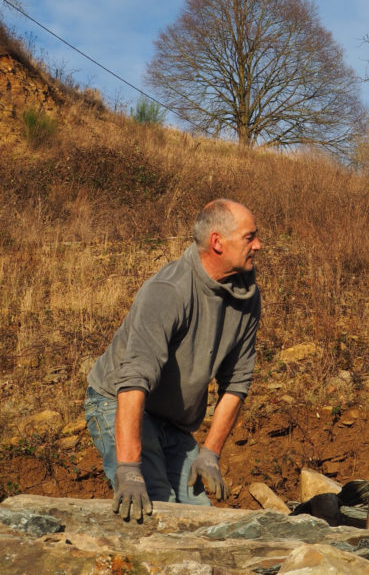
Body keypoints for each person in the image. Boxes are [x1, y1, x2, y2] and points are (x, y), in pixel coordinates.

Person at [85, 199, 261, 522]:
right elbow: (134, 379)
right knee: (156, 510)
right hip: (118, 402)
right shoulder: (170, 290)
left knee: (200, 518)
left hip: (172, 423)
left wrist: (210, 452)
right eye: (249, 237)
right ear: (217, 242)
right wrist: (128, 469)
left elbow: (237, 382)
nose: (258, 245)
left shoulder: (247, 296)